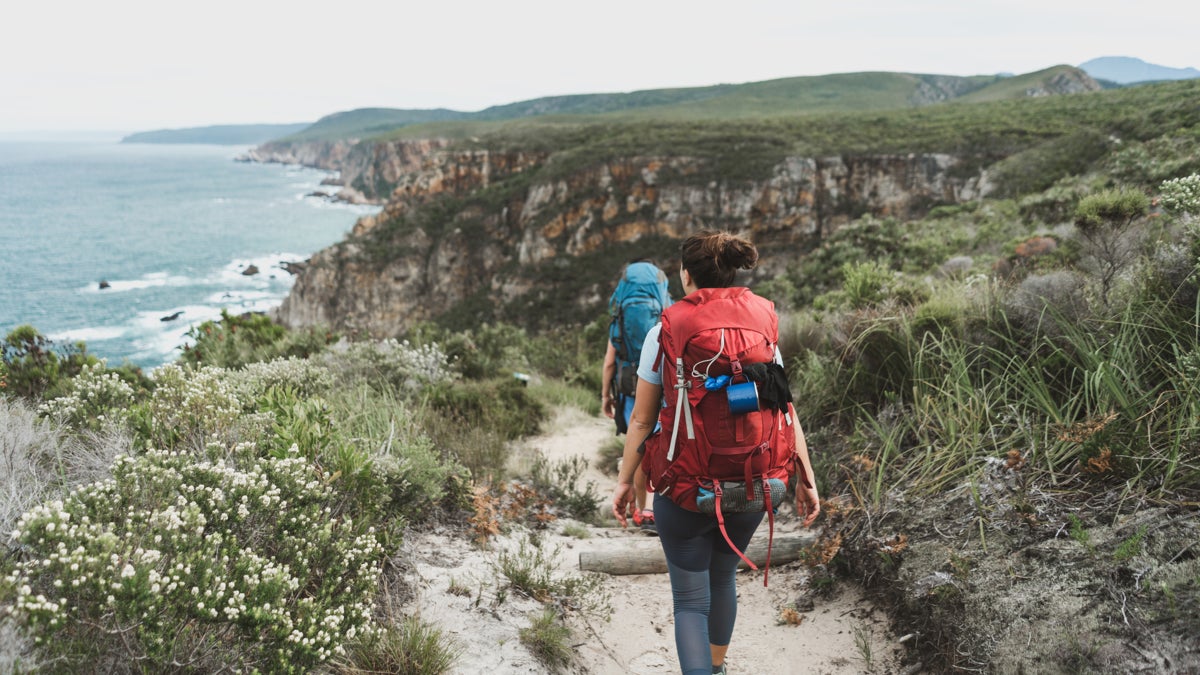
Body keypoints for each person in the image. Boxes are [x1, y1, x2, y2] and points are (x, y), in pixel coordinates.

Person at [611, 231, 821, 675]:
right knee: (723, 577)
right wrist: (806, 479)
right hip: (753, 481)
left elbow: (643, 421)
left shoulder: (664, 329)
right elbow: (785, 409)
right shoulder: (763, 323)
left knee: (690, 600)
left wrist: (627, 480)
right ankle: (717, 668)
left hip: (685, 485)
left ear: (686, 276)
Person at [602, 260, 671, 531]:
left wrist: (605, 396)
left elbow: (609, 362)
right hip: (661, 384)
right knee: (661, 444)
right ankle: (661, 505)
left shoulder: (619, 317)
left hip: (631, 385)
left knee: (640, 443)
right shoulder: (666, 310)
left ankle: (645, 510)